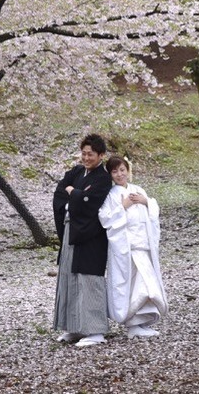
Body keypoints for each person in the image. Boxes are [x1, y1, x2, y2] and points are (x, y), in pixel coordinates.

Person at [52, 133, 113, 347]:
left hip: (91, 235)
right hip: (72, 231)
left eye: (91, 154)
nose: (86, 158)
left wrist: (74, 195)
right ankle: (74, 327)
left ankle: (95, 330)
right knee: (69, 277)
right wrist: (74, 195)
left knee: (89, 280)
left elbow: (89, 204)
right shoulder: (77, 172)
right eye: (84, 154)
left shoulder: (103, 178)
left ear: (101, 155)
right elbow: (60, 192)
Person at [98, 155, 167, 339]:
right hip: (126, 248)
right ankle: (132, 324)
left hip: (142, 245)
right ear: (110, 175)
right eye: (115, 171)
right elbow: (105, 218)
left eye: (122, 170)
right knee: (133, 284)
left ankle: (142, 321)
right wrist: (123, 207)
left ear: (127, 170)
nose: (119, 174)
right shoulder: (111, 196)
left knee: (147, 283)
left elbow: (152, 209)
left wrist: (145, 202)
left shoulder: (138, 189)